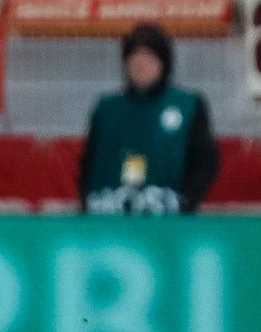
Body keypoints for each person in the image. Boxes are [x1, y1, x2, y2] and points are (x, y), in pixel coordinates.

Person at [79, 24, 219, 215]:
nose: (141, 64)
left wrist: (185, 203)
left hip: (166, 218)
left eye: (148, 57)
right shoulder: (106, 108)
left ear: (163, 63)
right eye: (135, 58)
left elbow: (205, 163)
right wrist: (88, 201)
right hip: (109, 216)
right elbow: (87, 163)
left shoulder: (188, 105)